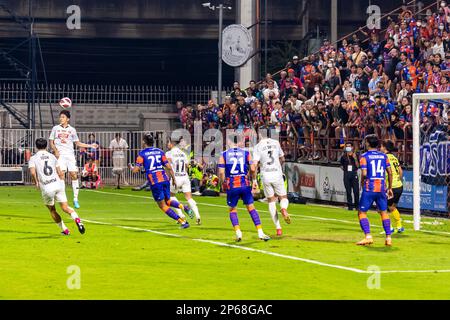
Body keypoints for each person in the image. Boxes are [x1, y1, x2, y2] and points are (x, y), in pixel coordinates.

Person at [129, 134, 193, 228]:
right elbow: (168, 166)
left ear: (144, 142)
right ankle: (184, 207)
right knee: (168, 201)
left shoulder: (142, 154)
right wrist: (174, 179)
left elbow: (136, 170)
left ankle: (183, 222)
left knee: (162, 206)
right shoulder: (160, 152)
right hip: (165, 179)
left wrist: (131, 167)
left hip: (155, 181)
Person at [28, 138, 85, 235]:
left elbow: (33, 173)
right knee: (65, 207)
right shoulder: (52, 156)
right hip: (58, 184)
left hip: (47, 187)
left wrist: (36, 182)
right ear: (46, 146)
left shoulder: (33, 158)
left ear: (36, 147)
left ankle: (65, 230)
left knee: (52, 209)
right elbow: (60, 173)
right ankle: (77, 219)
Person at [218, 139, 270, 242]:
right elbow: (253, 168)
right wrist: (254, 180)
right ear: (239, 143)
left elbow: (221, 172)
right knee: (251, 208)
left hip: (232, 185)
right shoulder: (246, 153)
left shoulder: (224, 155)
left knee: (232, 209)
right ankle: (260, 232)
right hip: (244, 184)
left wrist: (222, 183)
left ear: (229, 142)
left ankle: (238, 233)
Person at [49, 110, 98, 209]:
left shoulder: (72, 130)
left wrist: (90, 145)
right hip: (60, 156)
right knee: (61, 174)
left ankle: (75, 199)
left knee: (74, 175)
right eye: (60, 117)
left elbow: (78, 143)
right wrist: (55, 151)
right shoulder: (55, 128)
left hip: (70, 156)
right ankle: (62, 198)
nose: (61, 119)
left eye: (63, 117)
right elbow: (51, 142)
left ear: (68, 119)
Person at [357, 135, 394, 246]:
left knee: (362, 212)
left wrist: (362, 183)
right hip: (381, 188)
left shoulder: (364, 156)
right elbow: (390, 172)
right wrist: (390, 187)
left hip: (370, 188)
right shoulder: (383, 156)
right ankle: (388, 238)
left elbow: (364, 173)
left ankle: (368, 236)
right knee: (384, 212)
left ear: (367, 143)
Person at [253, 134, 291, 236]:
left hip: (266, 175)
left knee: (271, 201)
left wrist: (254, 180)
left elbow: (254, 165)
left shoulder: (257, 146)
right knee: (283, 197)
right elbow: (282, 159)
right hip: (277, 174)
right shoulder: (276, 143)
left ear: (260, 136)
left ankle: (278, 228)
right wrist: (278, 167)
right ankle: (283, 208)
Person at [166, 138, 201, 224]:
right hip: (184, 177)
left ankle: (181, 215)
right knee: (189, 197)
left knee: (170, 196)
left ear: (171, 144)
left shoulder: (169, 153)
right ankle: (197, 216)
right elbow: (186, 166)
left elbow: (168, 166)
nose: (167, 145)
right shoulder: (183, 153)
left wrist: (169, 177)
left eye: (168, 143)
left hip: (176, 177)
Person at [380, 140, 404, 233]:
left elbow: (383, 172)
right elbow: (400, 171)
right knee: (392, 207)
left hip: (391, 187)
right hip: (399, 186)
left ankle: (388, 228)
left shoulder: (384, 157)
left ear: (385, 147)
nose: (380, 148)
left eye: (381, 146)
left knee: (381, 208)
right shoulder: (394, 157)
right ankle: (399, 226)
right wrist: (398, 181)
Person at [339, 143, 360, 211]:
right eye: (347, 146)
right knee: (348, 191)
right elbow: (341, 165)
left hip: (354, 174)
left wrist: (355, 158)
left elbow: (358, 166)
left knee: (356, 191)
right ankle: (350, 206)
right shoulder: (343, 156)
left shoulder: (356, 155)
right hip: (346, 174)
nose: (348, 148)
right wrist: (346, 170)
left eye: (349, 146)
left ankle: (357, 206)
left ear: (352, 147)